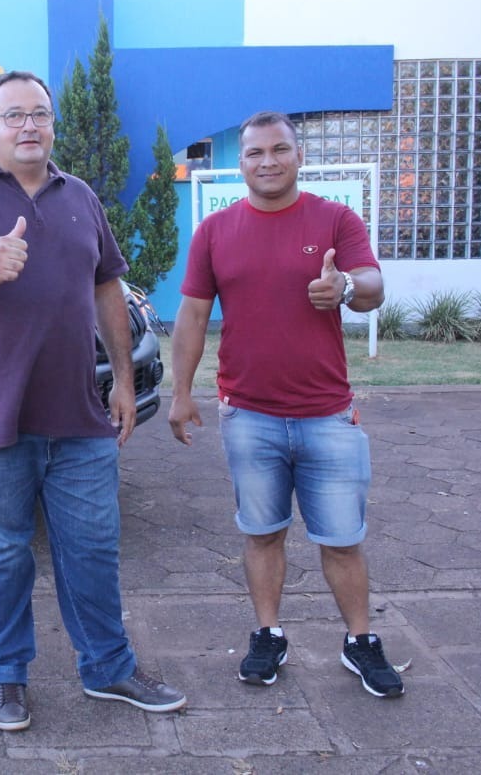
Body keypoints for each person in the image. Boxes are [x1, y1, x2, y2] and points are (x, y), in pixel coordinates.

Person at [0, 70, 187, 731]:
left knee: (92, 548)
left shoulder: (80, 197)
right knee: (2, 555)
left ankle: (109, 667)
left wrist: (122, 378)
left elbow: (107, 289)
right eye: (14, 115)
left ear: (53, 124)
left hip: (79, 419)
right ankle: (6, 677)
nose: (29, 125)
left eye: (40, 114)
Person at [168, 110, 405, 698]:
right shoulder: (215, 232)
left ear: (298, 156)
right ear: (241, 162)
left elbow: (372, 285)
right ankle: (268, 633)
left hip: (328, 415)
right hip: (248, 416)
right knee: (262, 533)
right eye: (255, 153)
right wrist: (179, 394)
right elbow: (193, 315)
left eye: (279, 150)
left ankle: (359, 642)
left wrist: (345, 288)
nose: (267, 161)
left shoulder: (334, 219)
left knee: (342, 539)